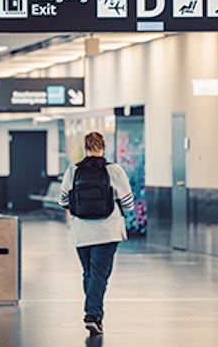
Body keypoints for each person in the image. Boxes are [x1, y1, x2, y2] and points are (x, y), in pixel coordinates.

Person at [59, 131, 134, 336]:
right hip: (107, 231)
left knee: (89, 274)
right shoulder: (114, 170)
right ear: (104, 147)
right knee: (100, 274)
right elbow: (128, 204)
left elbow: (63, 200)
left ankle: (94, 312)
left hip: (82, 232)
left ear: (86, 148)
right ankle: (92, 315)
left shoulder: (73, 170)